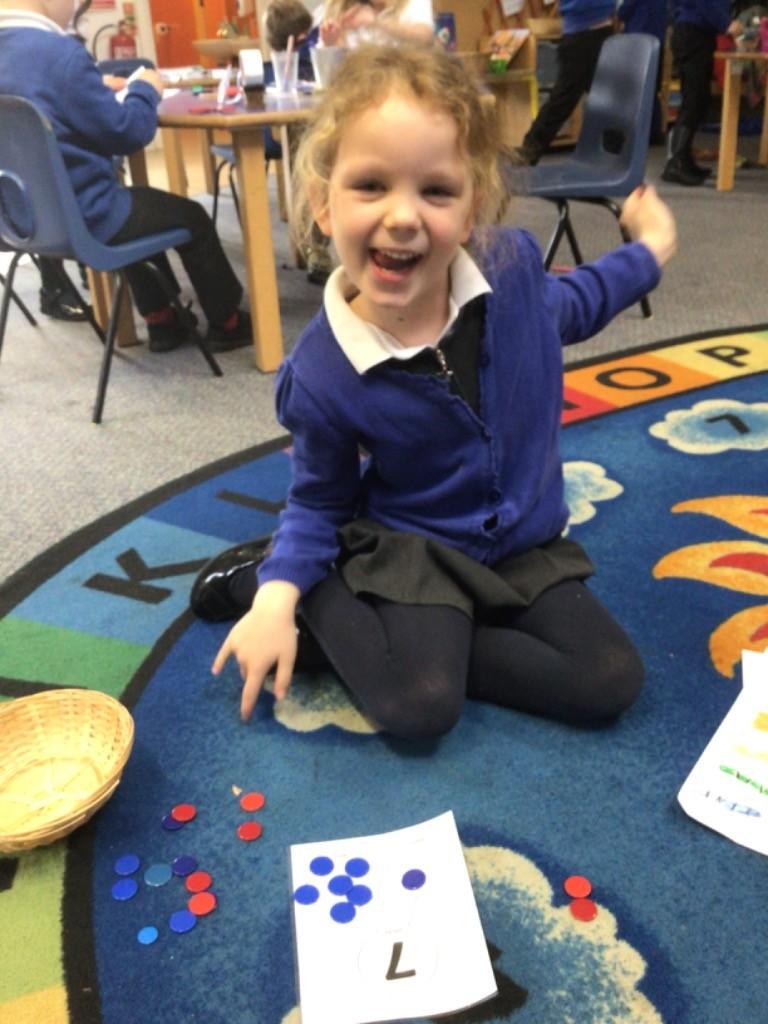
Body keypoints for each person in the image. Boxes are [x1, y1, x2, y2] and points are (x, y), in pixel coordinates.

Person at [192, 44, 676, 739]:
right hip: (412, 547)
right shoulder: (323, 370)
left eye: (436, 191)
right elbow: (320, 497)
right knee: (421, 706)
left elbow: (580, 302)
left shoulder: (511, 274)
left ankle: (399, 639)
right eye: (371, 185)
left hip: (521, 547)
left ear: (472, 208)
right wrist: (275, 597)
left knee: (608, 678)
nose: (402, 216)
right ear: (322, 204)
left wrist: (650, 249)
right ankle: (276, 579)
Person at [0, 0, 252, 353]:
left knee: (141, 211)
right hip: (89, 217)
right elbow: (128, 132)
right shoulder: (60, 55)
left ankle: (162, 319)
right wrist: (145, 89)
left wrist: (94, 85)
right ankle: (227, 322)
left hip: (18, 222)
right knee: (190, 217)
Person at [516, 0, 617, 165]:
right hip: (586, 33)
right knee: (565, 100)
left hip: (588, 31)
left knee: (607, 101)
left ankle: (614, 153)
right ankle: (528, 152)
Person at [662, 1, 741, 186]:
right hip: (693, 34)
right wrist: (726, 24)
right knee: (693, 101)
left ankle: (685, 159)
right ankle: (676, 162)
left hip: (698, 34)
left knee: (699, 100)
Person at [618, 0, 668, 145]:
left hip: (638, 37)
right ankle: (654, 132)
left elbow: (624, 11)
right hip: (657, 38)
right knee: (652, 89)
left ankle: (635, 133)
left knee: (635, 88)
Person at [319, 0, 434, 49]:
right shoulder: (340, 6)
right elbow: (330, 75)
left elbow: (425, 37)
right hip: (355, 85)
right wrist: (332, 44)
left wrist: (377, 22)